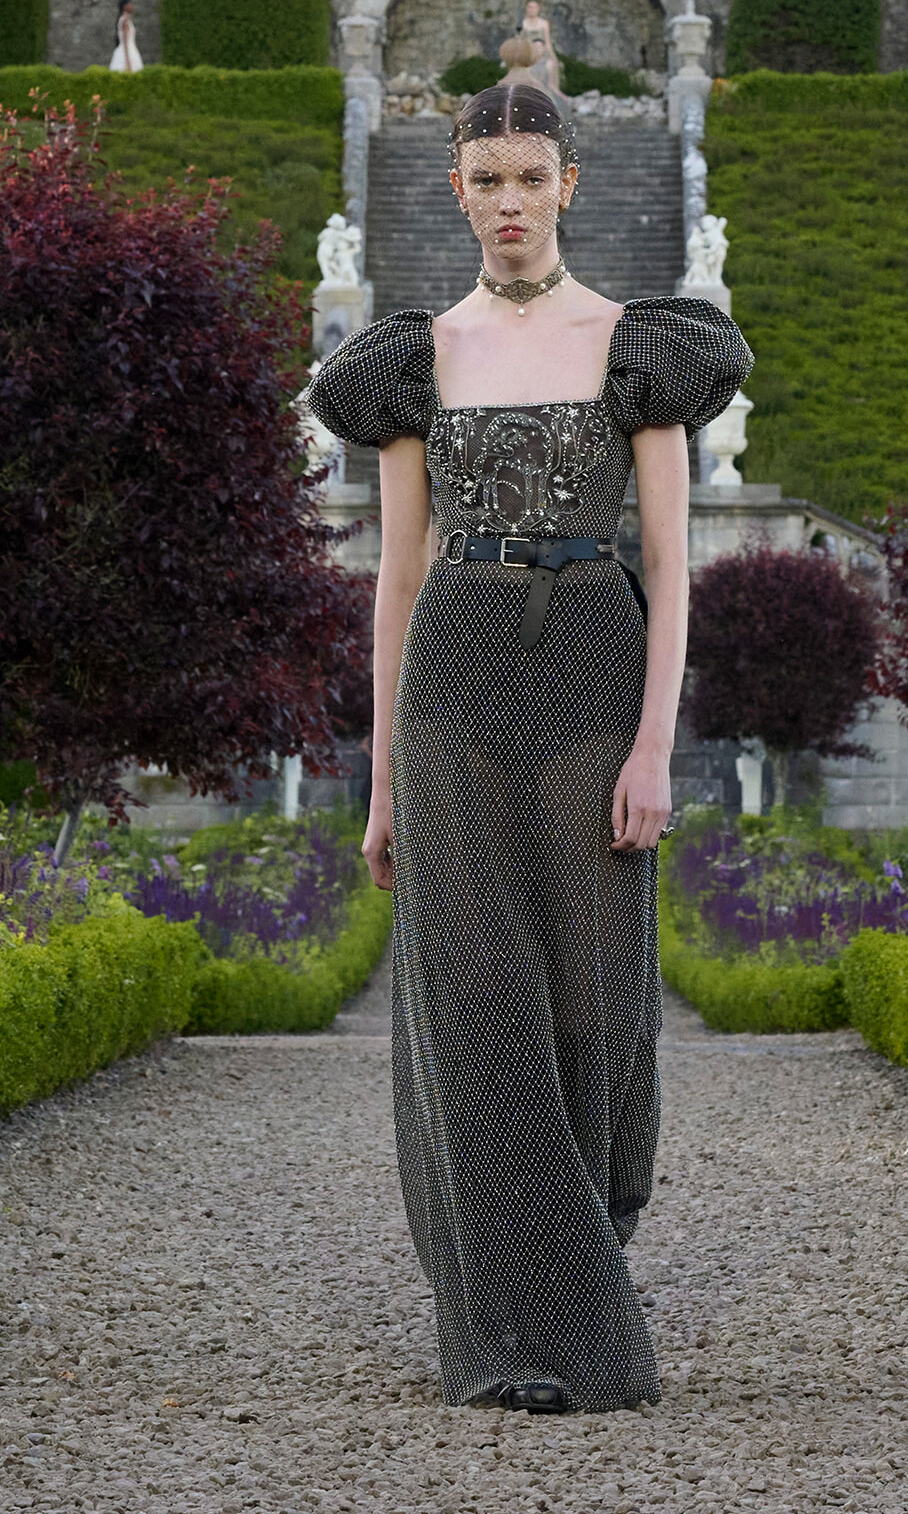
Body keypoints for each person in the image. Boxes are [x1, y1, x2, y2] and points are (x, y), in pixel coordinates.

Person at [307, 82, 752, 1415]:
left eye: (529, 177)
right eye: (486, 177)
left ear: (570, 184)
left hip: (594, 679)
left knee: (594, 997)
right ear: (458, 188)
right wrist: (383, 777)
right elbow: (396, 580)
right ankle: (514, 1326)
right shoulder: (413, 358)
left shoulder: (639, 348)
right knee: (472, 1002)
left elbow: (672, 568)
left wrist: (655, 745)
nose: (508, 201)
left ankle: (580, 1258)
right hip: (453, 679)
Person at [520, 0, 562, 95]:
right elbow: (522, 42)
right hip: (529, 53)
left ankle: (552, 91)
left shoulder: (543, 23)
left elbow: (547, 42)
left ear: (538, 9)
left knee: (553, 65)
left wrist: (552, 56)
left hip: (542, 52)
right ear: (526, 9)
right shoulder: (523, 23)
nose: (532, 9)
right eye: (530, 7)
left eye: (534, 7)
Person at [109, 0, 143, 73]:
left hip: (131, 48)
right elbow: (125, 40)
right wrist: (128, 61)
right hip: (127, 51)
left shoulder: (126, 19)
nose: (132, 6)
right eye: (130, 4)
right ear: (125, 6)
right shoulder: (125, 20)